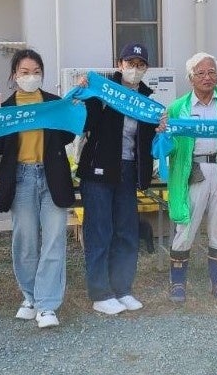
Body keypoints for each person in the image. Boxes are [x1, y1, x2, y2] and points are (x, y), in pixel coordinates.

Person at [0, 49, 76, 328]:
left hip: (52, 177)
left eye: (36, 72)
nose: (30, 77)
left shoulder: (52, 103)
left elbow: (67, 136)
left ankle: (47, 305)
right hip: (21, 178)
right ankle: (30, 296)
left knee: (54, 240)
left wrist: (71, 110)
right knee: (25, 241)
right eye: (24, 72)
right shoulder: (6, 107)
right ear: (14, 75)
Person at [163, 53, 217, 303]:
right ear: (191, 78)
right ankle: (178, 284)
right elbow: (167, 146)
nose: (207, 77)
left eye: (212, 72)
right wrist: (163, 133)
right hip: (192, 172)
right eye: (200, 73)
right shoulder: (178, 107)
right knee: (185, 227)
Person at [76, 42, 156, 315]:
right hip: (98, 170)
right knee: (99, 231)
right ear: (119, 64)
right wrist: (86, 93)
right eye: (130, 63)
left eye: (140, 65)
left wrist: (161, 126)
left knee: (126, 231)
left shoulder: (147, 99)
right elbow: (85, 123)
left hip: (129, 170)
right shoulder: (102, 91)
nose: (135, 69)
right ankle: (100, 293)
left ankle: (122, 289)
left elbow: (148, 139)